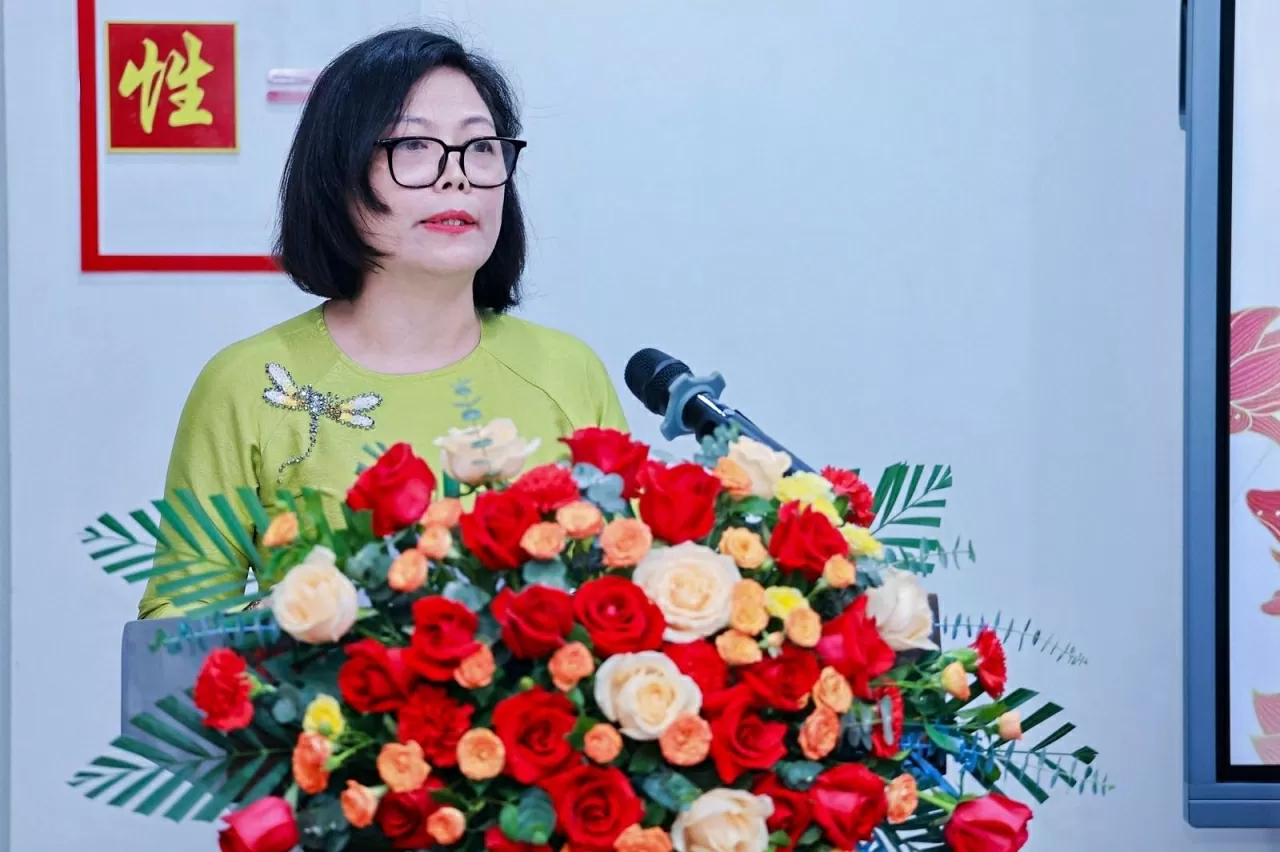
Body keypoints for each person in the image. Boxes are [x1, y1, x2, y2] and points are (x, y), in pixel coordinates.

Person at [138, 28, 628, 620]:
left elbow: (625, 595)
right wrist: (311, 629)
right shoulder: (248, 384)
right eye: (413, 145)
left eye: (480, 147)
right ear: (338, 176)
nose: (458, 176)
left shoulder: (569, 371)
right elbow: (176, 630)